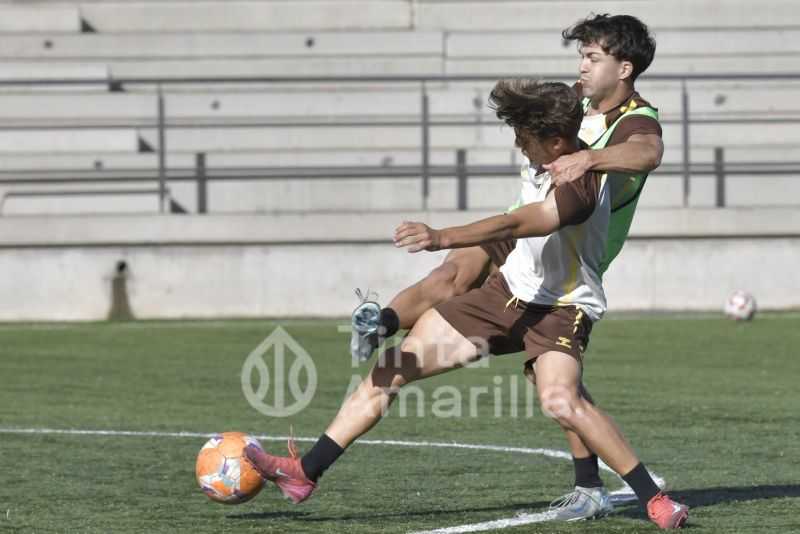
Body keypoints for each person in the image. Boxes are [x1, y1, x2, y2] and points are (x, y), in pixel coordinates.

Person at [244, 79, 689, 530]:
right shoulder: (552, 146)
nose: (518, 145)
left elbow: (519, 223)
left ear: (557, 142)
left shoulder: (581, 187)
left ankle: (654, 500)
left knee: (561, 399)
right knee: (394, 366)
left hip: (561, 308)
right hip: (504, 294)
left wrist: (443, 237)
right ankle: (304, 473)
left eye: (524, 138)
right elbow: (567, 97)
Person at [349, 13, 663, 521]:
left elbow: (648, 154)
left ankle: (588, 485)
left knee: (554, 379)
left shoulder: (636, 119)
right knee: (448, 275)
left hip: (566, 248)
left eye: (593, 58)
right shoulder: (574, 103)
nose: (582, 67)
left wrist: (589, 160)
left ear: (624, 69)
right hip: (523, 225)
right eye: (581, 57)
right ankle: (379, 323)